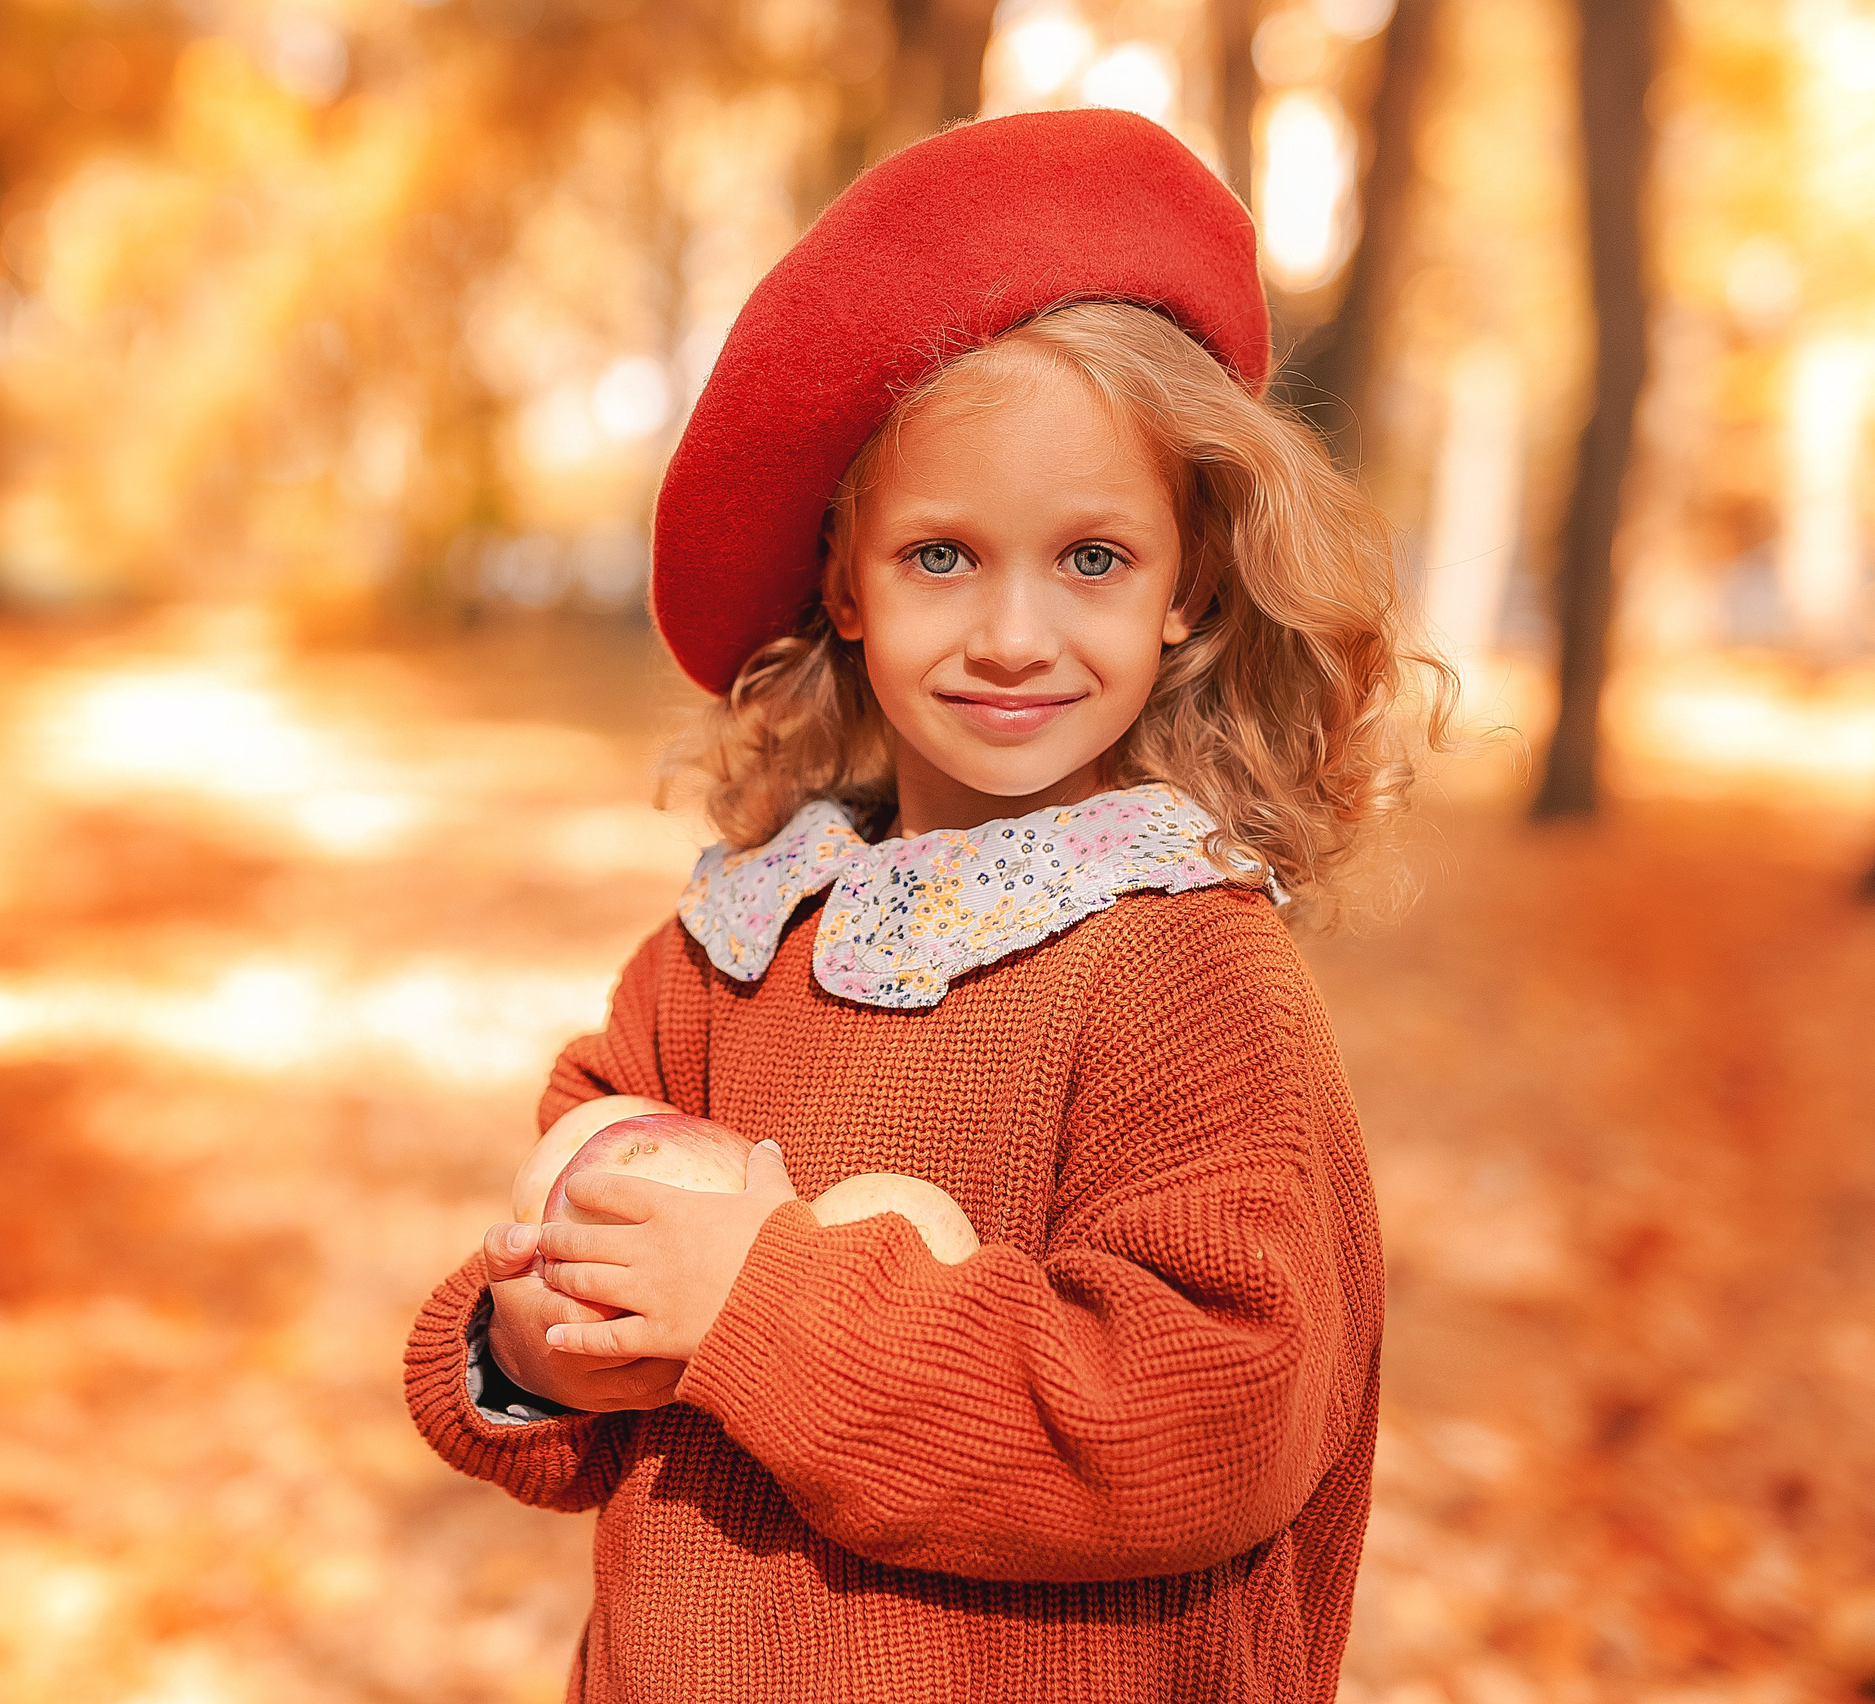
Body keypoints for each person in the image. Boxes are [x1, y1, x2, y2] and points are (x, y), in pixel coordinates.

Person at [403, 106, 1450, 1703]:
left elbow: (1214, 1417)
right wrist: (534, 1347)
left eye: (1091, 558)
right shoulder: (729, 951)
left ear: (1191, 586)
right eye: (944, 556)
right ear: (846, 580)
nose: (1015, 634)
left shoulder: (1179, 963)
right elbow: (539, 1303)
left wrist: (767, 1302)